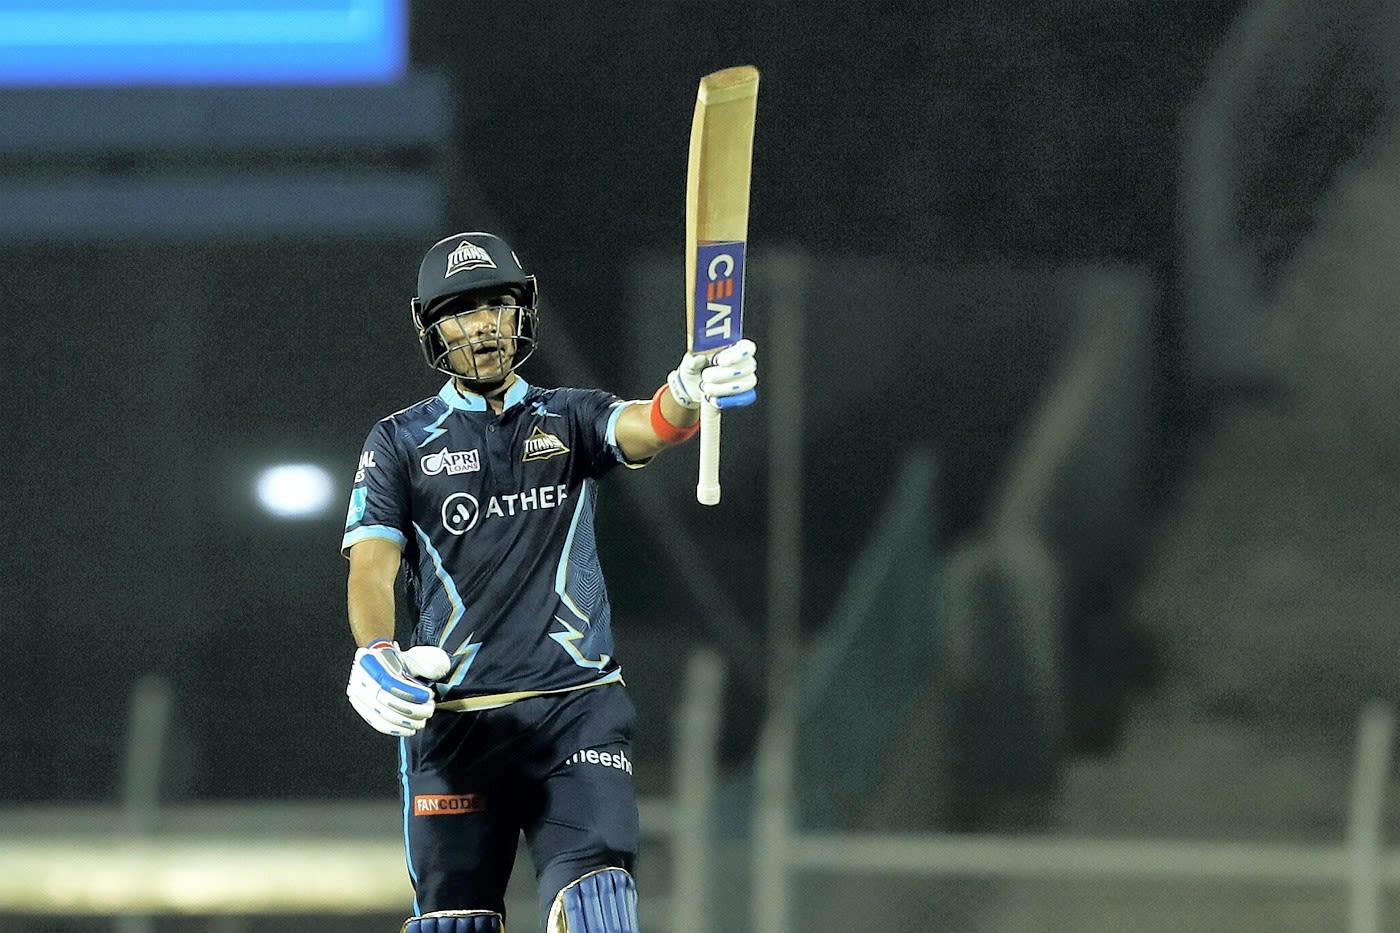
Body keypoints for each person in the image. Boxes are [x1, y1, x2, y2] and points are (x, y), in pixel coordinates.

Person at [340, 231, 757, 933]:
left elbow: (648, 426)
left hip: (577, 713)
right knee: (453, 925)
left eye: (496, 305)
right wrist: (376, 649)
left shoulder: (569, 415)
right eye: (460, 312)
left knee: (600, 911)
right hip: (457, 727)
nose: (481, 326)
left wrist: (686, 390)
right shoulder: (399, 442)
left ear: (521, 312)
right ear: (431, 326)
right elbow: (371, 566)